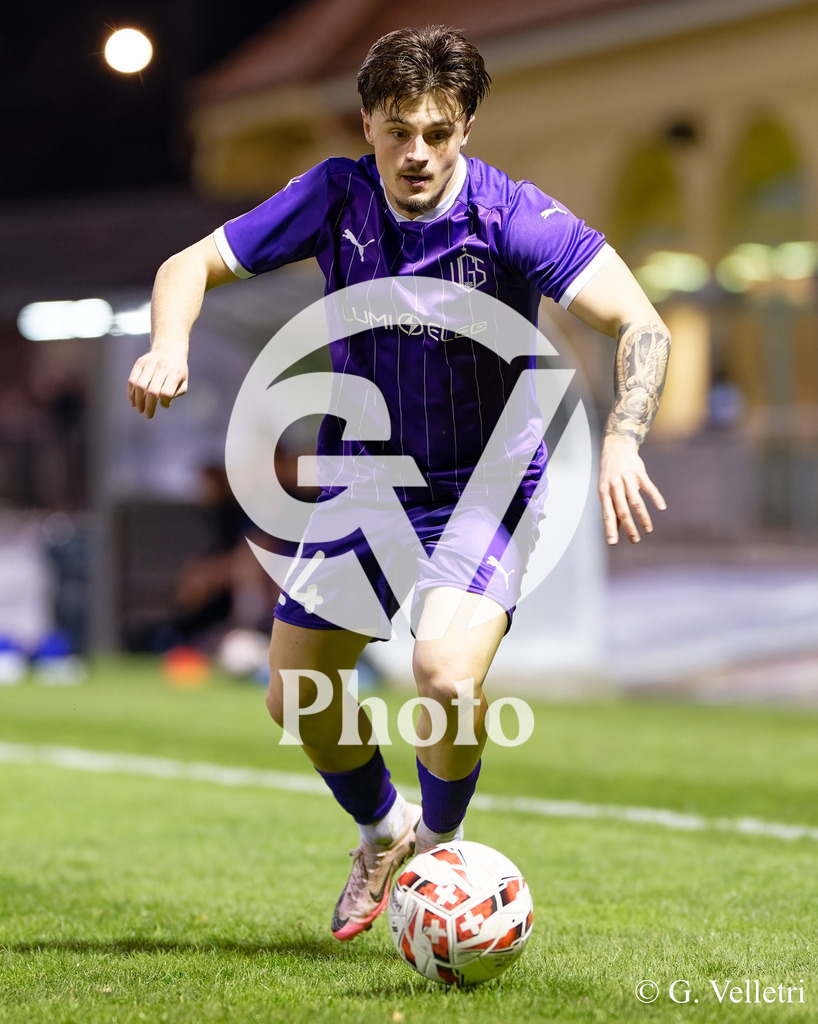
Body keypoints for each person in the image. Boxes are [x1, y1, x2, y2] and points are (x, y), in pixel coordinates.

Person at [128, 26, 670, 942]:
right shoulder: (333, 196)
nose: (416, 153)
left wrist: (624, 436)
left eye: (438, 132)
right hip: (370, 482)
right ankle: (384, 830)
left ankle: (442, 855)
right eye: (397, 130)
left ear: (463, 128)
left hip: (486, 483)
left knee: (443, 676)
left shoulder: (511, 217)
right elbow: (187, 266)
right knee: (292, 693)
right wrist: (168, 343)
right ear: (367, 123)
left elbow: (641, 324)